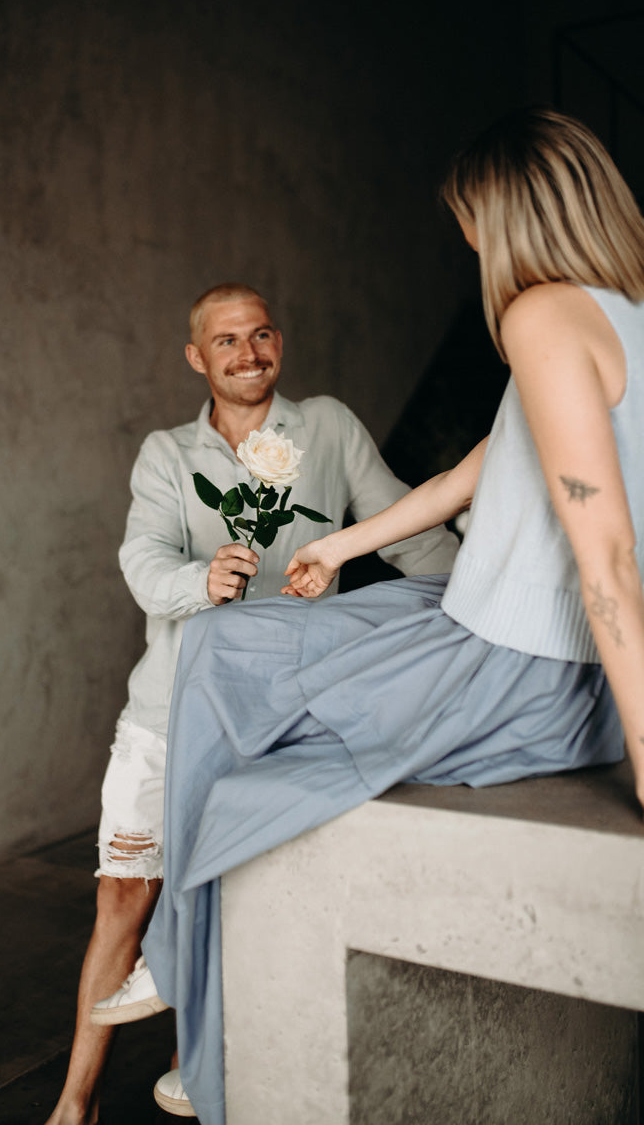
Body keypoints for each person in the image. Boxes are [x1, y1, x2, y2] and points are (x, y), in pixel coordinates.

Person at [122, 108, 644, 1124]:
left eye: (470, 220)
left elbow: (607, 562)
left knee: (231, 702)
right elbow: (467, 476)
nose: (465, 243)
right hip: (486, 627)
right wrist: (336, 546)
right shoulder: (619, 313)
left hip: (510, 662)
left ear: (511, 215)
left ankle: (192, 993)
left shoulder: (539, 314)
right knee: (231, 646)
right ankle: (182, 970)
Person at [44, 283, 459, 1125]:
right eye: (227, 339)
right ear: (199, 358)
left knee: (234, 903)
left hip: (282, 717)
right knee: (125, 897)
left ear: (281, 344)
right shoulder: (168, 454)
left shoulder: (329, 428)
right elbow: (142, 561)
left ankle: (195, 1078)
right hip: (169, 714)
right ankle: (74, 1104)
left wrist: (476, 600)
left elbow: (411, 532)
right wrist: (202, 580)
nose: (249, 352)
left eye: (262, 333)